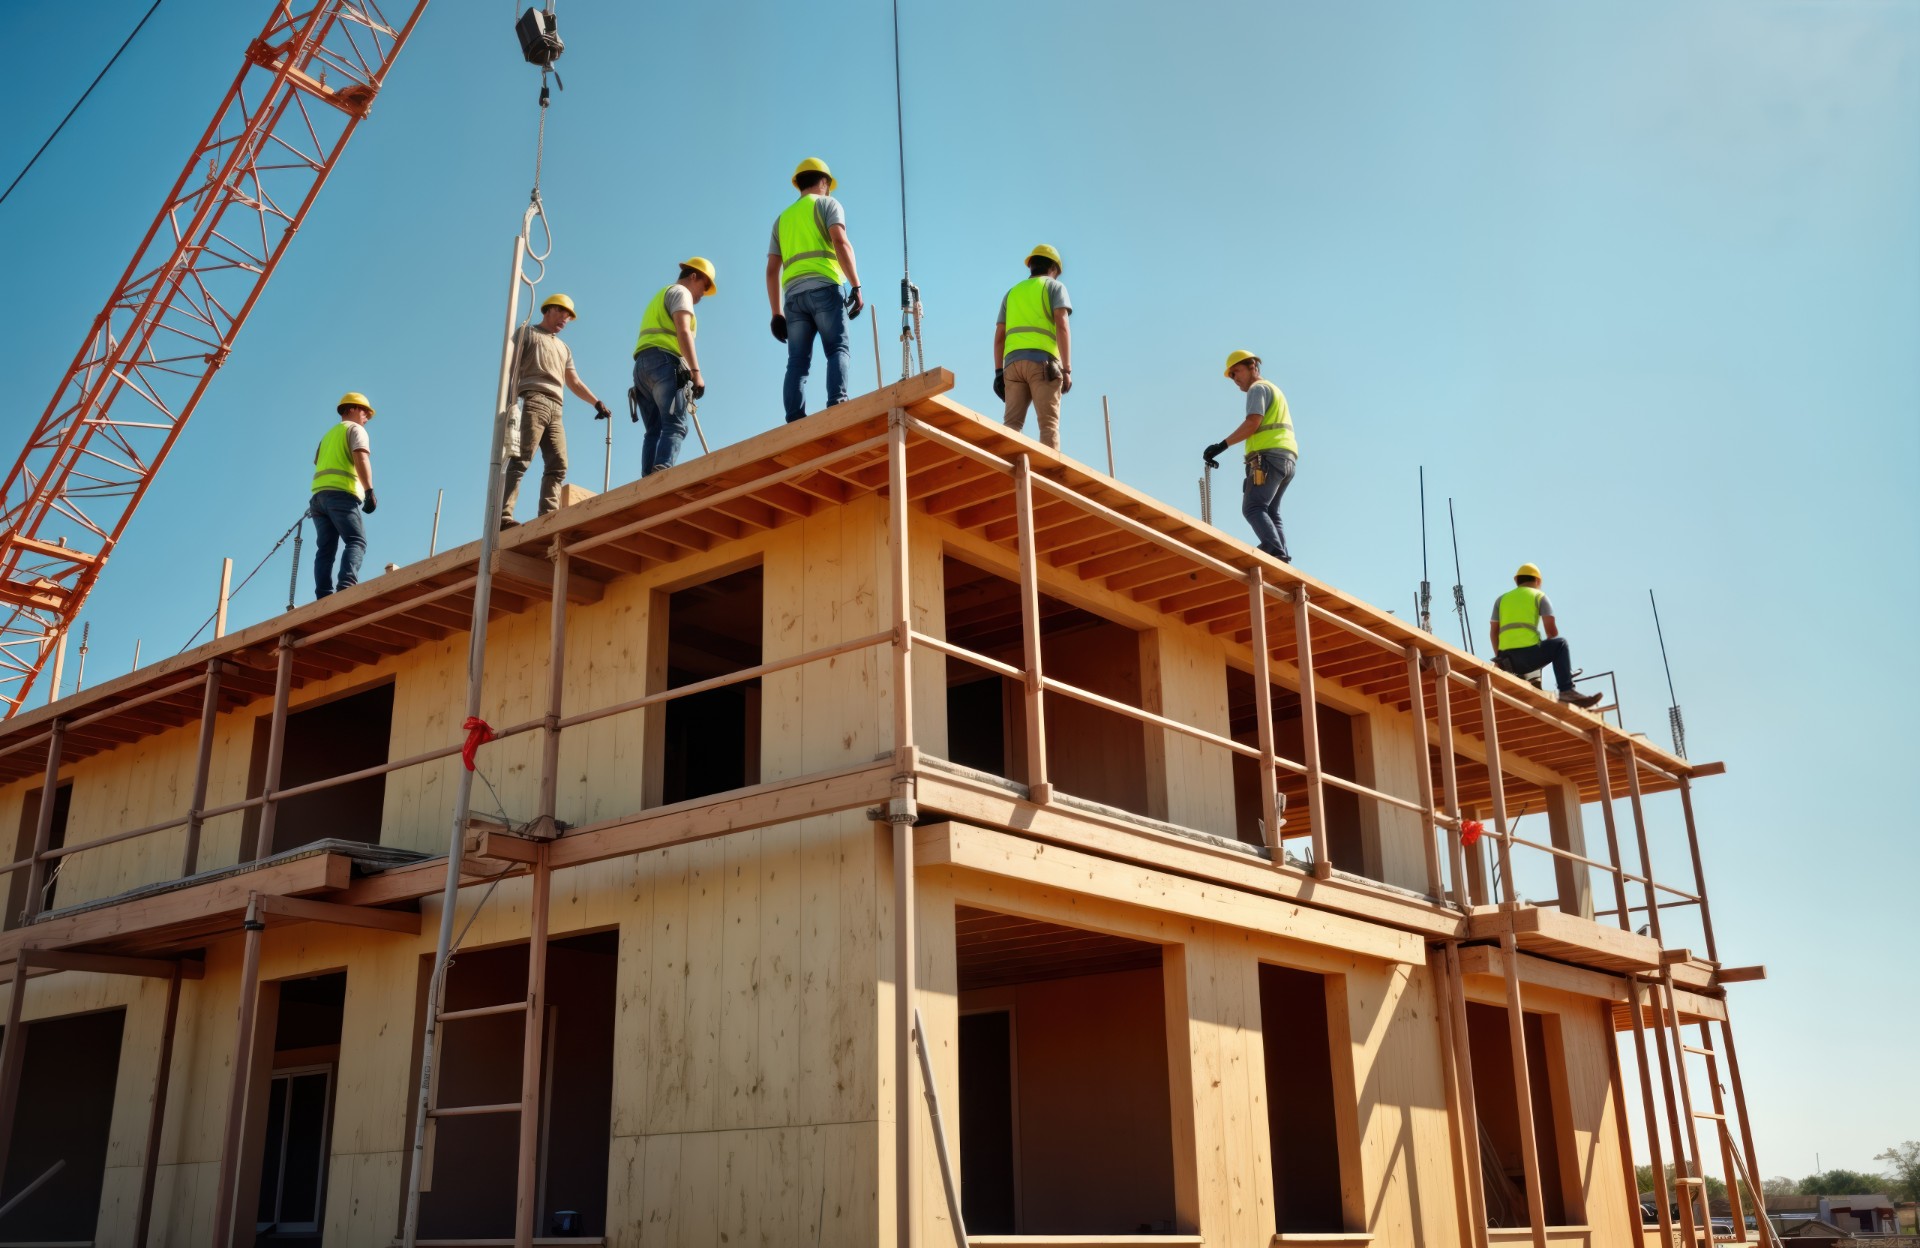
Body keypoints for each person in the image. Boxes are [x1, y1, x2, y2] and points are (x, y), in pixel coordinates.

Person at [501, 292, 612, 527]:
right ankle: (503, 516)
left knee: (558, 465)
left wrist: (596, 402)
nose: (565, 319)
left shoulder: (563, 348)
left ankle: (548, 516)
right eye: (563, 312)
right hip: (534, 399)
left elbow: (574, 381)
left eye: (569, 316)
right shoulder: (527, 333)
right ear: (549, 309)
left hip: (556, 408)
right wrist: (510, 403)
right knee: (521, 459)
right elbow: (510, 368)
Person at [766, 157, 865, 422]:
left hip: (793, 299)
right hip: (825, 289)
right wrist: (856, 285)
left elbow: (771, 270)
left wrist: (776, 314)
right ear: (824, 181)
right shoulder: (827, 204)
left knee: (797, 362)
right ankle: (837, 404)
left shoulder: (781, 220)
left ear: (798, 183)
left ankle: (794, 419)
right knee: (837, 349)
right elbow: (840, 242)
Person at [1203, 350, 1297, 562]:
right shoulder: (1274, 389)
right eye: (1232, 376)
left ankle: (1274, 551)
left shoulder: (1258, 388)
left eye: (1237, 371)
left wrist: (1221, 446)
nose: (1235, 379)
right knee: (1270, 511)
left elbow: (1253, 422)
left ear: (1253, 366)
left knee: (1253, 507)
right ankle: (1281, 558)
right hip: (1286, 458)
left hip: (1268, 458)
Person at [631, 257, 717, 475]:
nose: (703, 294)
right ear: (693, 276)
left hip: (642, 367)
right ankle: (663, 472)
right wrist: (696, 373)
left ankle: (648, 480)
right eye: (704, 286)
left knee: (654, 430)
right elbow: (683, 330)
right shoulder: (681, 293)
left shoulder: (662, 295)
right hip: (664, 362)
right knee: (675, 425)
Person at [1489, 564, 1605, 708]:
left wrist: (1500, 658)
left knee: (1536, 650)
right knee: (1560, 644)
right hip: (1528, 659)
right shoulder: (1539, 596)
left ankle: (1528, 675)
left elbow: (1493, 632)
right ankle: (1566, 690)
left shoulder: (1501, 599)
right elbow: (1552, 632)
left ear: (1516, 580)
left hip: (1507, 662)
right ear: (1538, 581)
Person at [992, 244, 1073, 449]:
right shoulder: (1054, 287)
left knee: (1012, 425)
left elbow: (999, 336)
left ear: (1031, 266)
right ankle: (1049, 470)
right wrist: (1067, 369)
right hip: (1043, 365)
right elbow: (1062, 326)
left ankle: (1009, 466)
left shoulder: (1012, 293)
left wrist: (999, 372)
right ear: (1053, 268)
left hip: (1012, 367)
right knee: (1048, 425)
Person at [309, 391, 378, 597]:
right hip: (341, 494)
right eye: (365, 412)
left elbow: (318, 461)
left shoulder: (327, 436)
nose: (367, 418)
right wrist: (369, 491)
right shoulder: (355, 429)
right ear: (352, 408)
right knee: (356, 541)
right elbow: (361, 458)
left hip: (318, 498)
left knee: (325, 549)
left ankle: (323, 595)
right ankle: (346, 586)